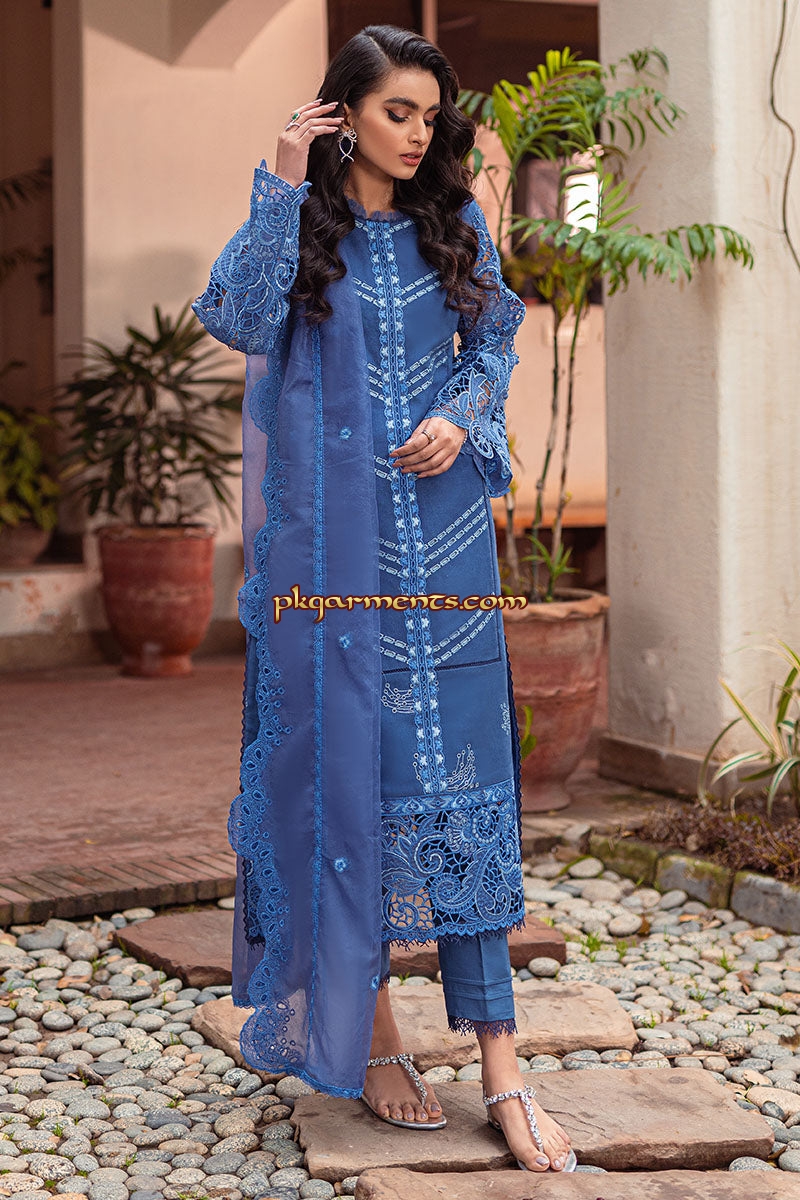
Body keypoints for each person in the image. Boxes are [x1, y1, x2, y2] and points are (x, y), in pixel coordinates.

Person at [193, 24, 575, 1174]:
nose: (415, 134)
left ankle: (502, 1068)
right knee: (345, 780)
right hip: (328, 565)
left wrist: (462, 414)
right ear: (344, 113)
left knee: (467, 798)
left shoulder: (449, 221)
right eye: (394, 112)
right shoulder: (300, 231)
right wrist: (277, 177)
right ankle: (374, 1036)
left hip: (446, 552)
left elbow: (494, 336)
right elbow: (235, 317)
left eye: (427, 116)